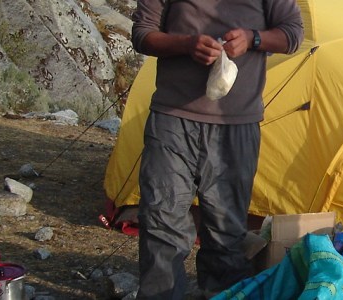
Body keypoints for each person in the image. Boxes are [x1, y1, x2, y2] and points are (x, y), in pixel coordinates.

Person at [130, 0, 303, 298]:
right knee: (161, 221)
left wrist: (252, 38)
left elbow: (292, 34)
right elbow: (143, 34)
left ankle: (220, 293)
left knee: (226, 230)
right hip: (173, 117)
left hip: (236, 123)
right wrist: (187, 44)